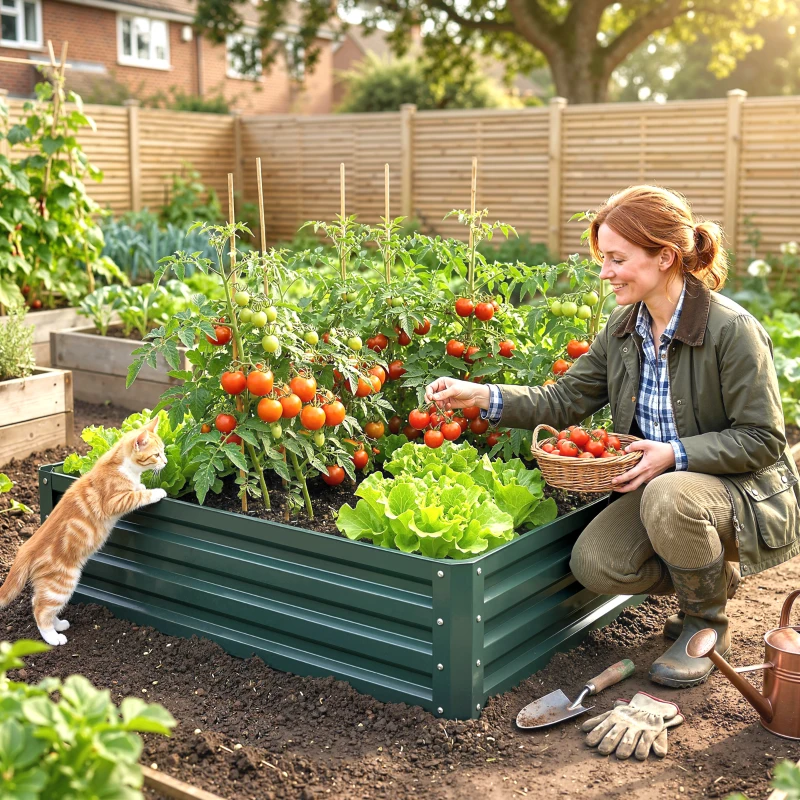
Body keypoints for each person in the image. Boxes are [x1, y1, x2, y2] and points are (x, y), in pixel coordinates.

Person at [425, 185, 800, 688]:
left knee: (670, 495)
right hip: (669, 492)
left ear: (664, 257)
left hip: (740, 490)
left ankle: (705, 627)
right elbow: (563, 401)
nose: (604, 273)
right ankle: (710, 574)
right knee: (596, 564)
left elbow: (763, 439)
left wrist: (674, 453)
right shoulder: (625, 328)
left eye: (617, 259)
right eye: (604, 258)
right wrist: (483, 395)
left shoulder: (732, 330)